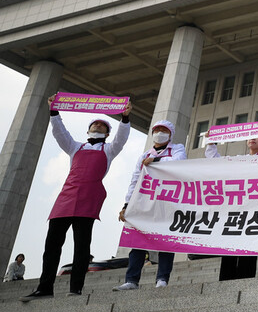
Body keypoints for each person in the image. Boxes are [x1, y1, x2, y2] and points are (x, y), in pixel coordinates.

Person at [21, 98, 131, 301]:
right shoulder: (74, 147)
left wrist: (125, 118)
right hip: (65, 198)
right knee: (52, 245)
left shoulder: (108, 150)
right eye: (94, 124)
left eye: (103, 125)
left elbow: (121, 138)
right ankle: (45, 288)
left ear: (107, 133)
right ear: (88, 130)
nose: (98, 126)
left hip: (88, 200)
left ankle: (76, 288)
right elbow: (60, 133)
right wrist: (54, 112)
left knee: (81, 246)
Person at [114, 120, 186, 290]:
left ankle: (162, 278)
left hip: (167, 201)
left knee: (166, 241)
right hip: (144, 202)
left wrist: (155, 161)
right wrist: (127, 205)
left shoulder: (177, 149)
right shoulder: (144, 155)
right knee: (138, 241)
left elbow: (179, 163)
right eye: (157, 129)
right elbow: (135, 180)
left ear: (170, 134)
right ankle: (131, 280)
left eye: (164, 130)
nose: (160, 132)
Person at [205, 132, 258, 280]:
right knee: (230, 245)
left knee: (249, 246)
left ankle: (245, 280)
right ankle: (225, 281)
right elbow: (215, 162)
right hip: (235, 210)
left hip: (254, 210)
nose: (252, 138)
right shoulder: (238, 160)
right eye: (250, 136)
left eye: (257, 136)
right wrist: (211, 142)